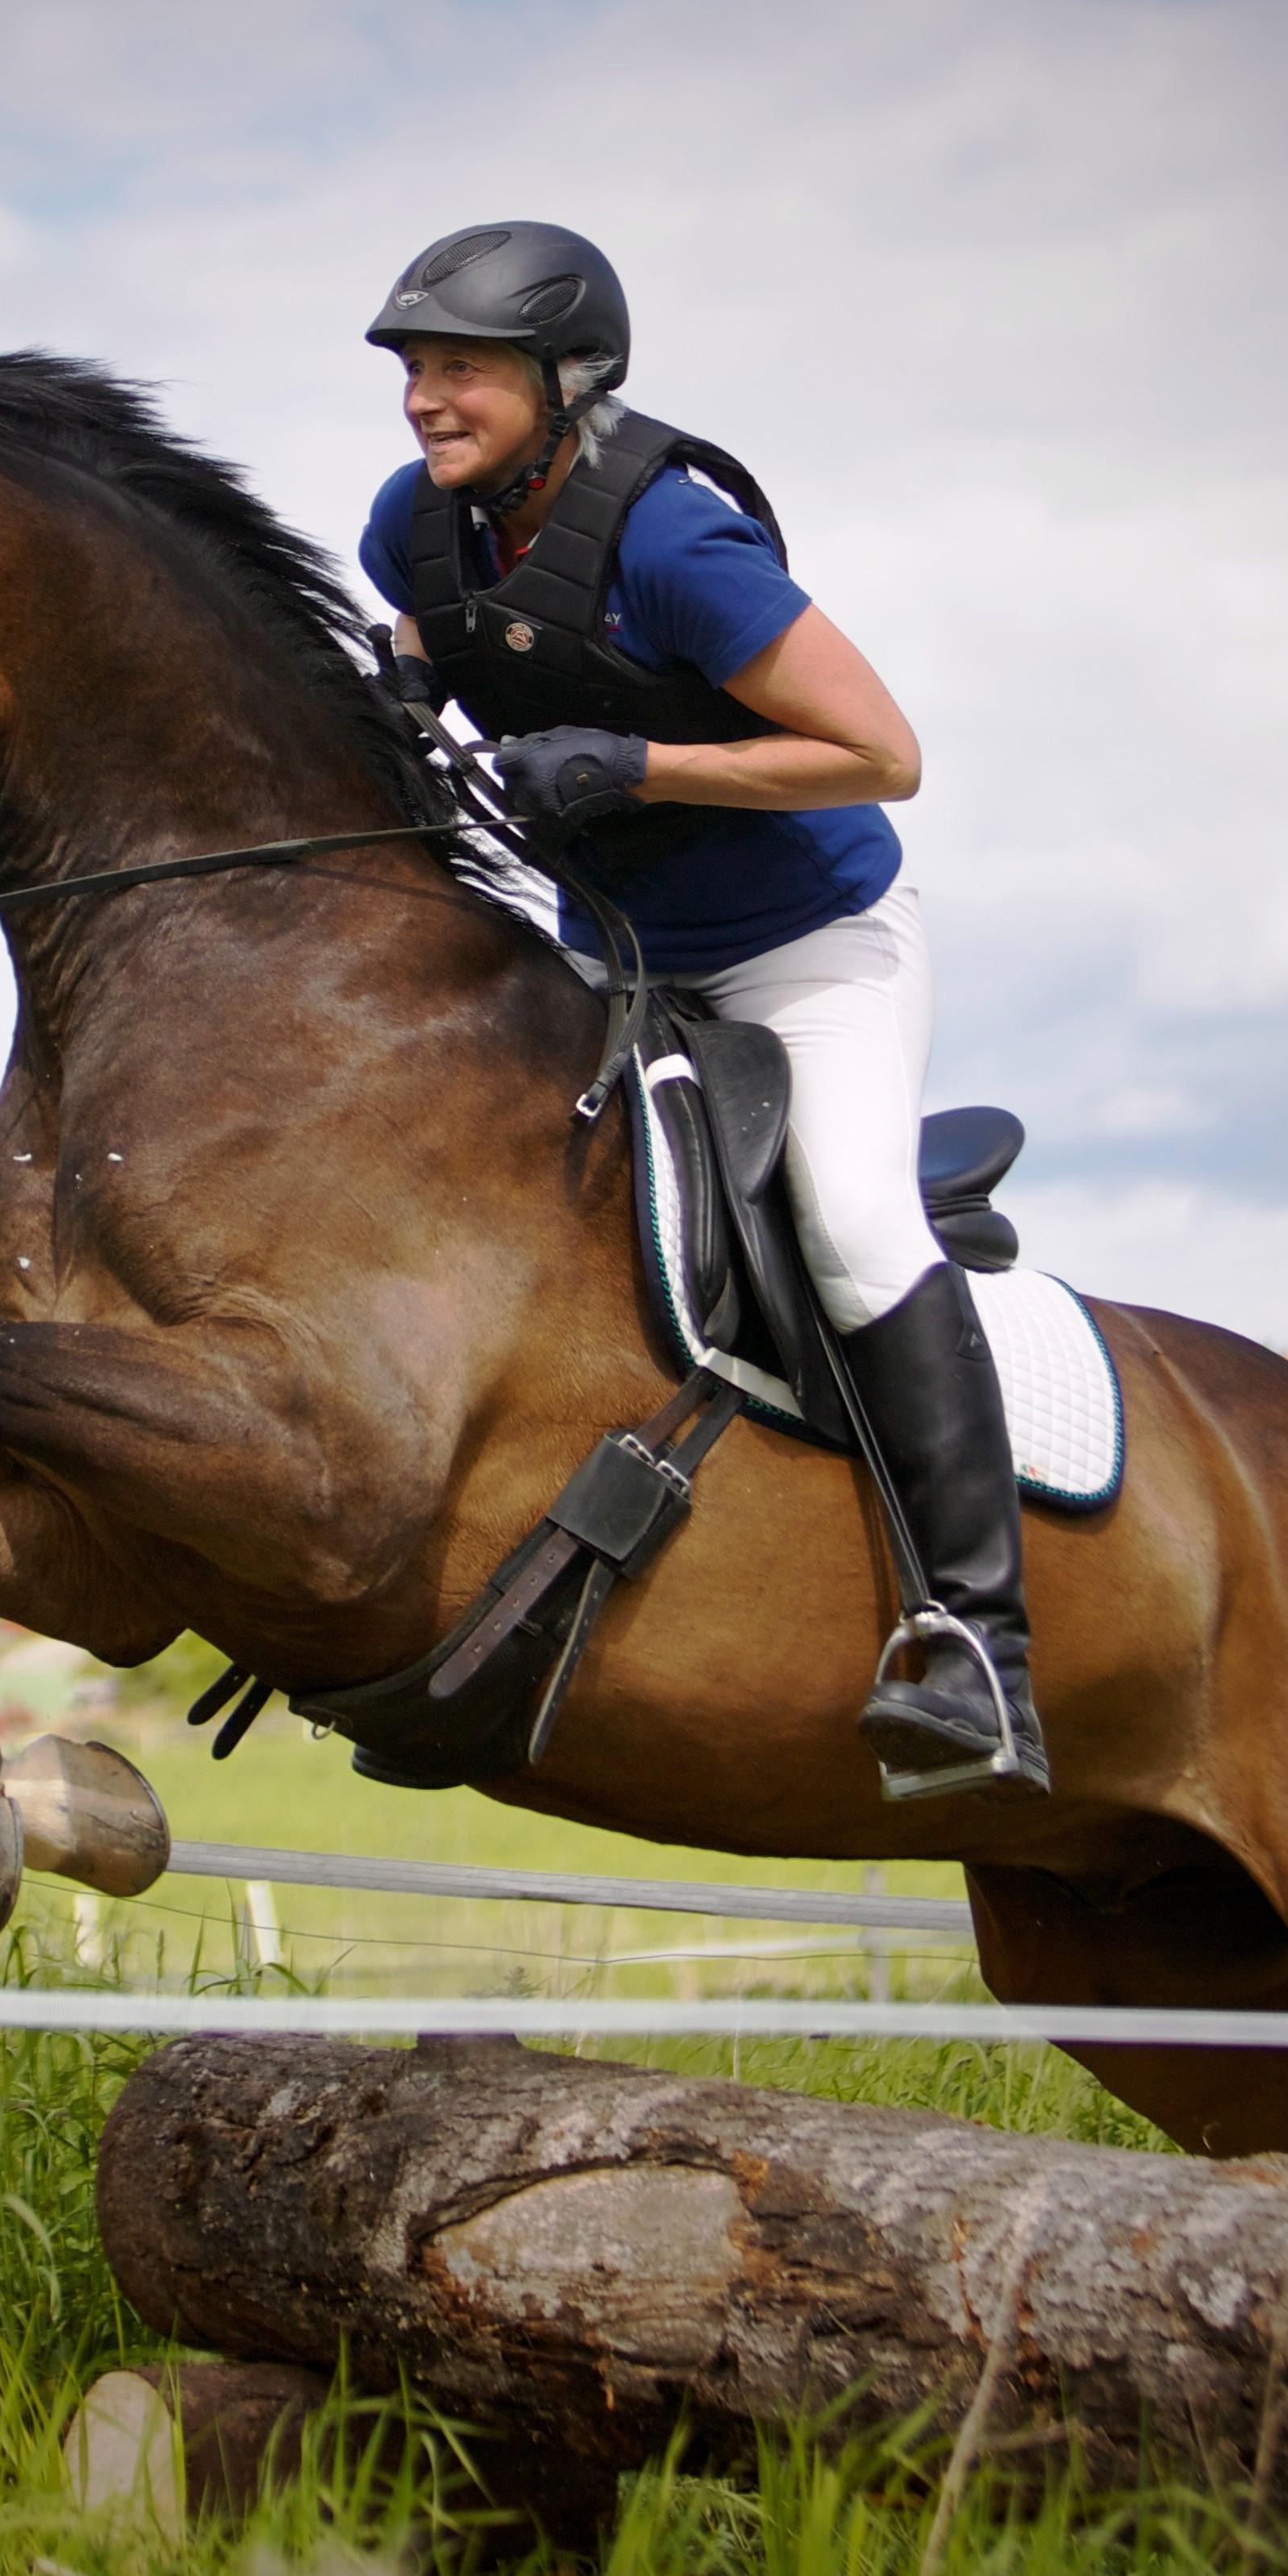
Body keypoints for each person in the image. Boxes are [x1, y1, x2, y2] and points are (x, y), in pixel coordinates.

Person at [360, 221, 1047, 1796]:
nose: (424, 398)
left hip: (809, 942)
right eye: (412, 368)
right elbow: (425, 624)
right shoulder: (413, 524)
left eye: (459, 367)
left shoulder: (676, 542)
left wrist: (641, 761)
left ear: (563, 377)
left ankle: (980, 1650)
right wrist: (400, 691)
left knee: (860, 1223)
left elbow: (885, 753)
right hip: (613, 953)